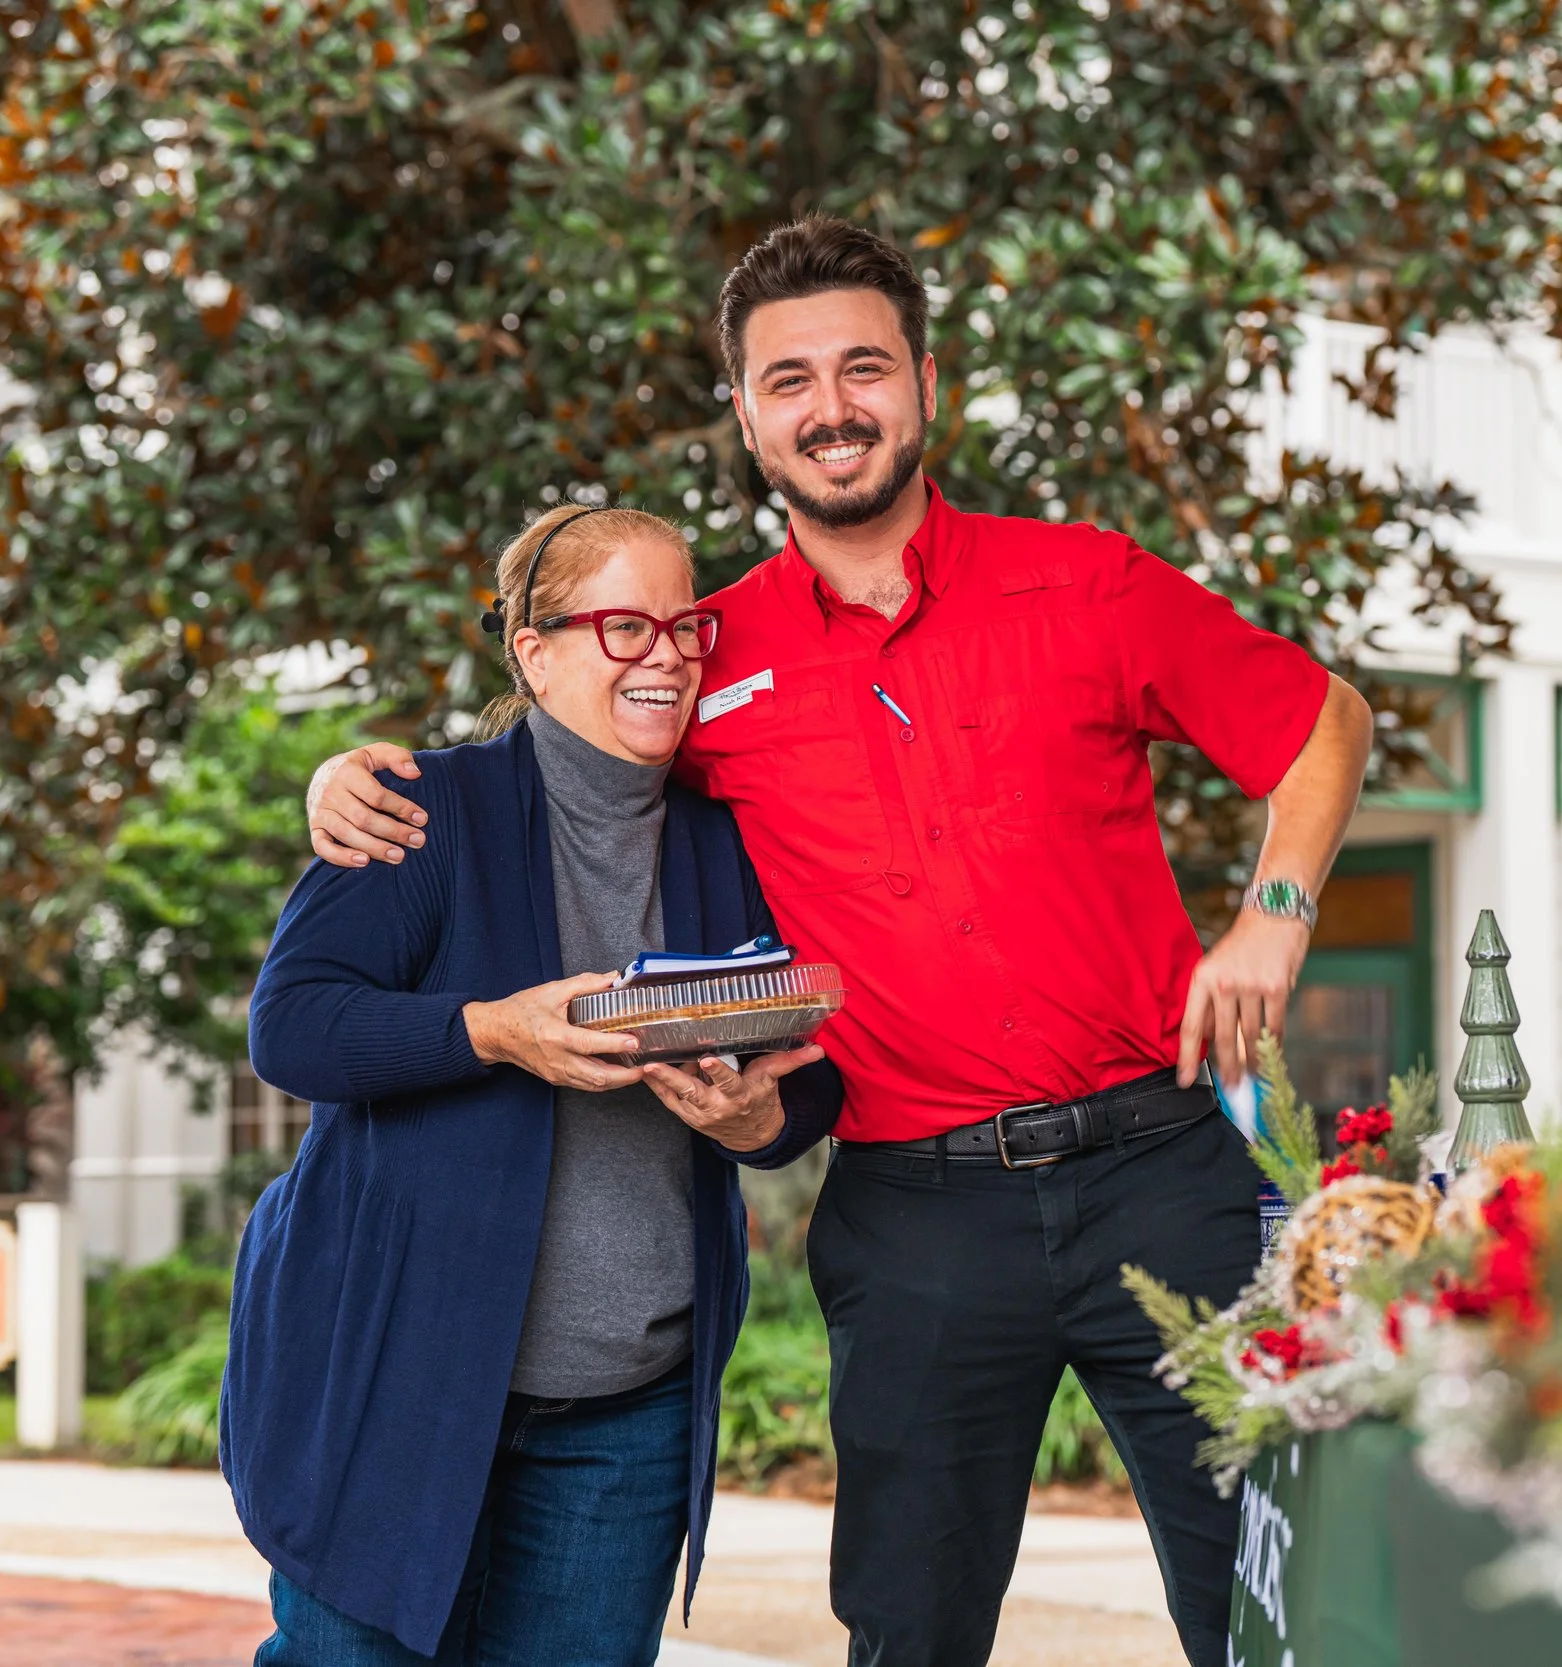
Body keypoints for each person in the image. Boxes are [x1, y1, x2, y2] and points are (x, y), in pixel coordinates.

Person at [305, 219, 1372, 1667]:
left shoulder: (1086, 582)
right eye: (788, 378)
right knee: (909, 1632)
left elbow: (1324, 722)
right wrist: (365, 775)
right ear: (746, 416)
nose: (832, 406)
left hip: (1160, 1171)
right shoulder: (702, 655)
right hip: (917, 1209)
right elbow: (561, 763)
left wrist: (1274, 913)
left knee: (1276, 1603)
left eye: (863, 365)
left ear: (926, 382)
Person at [230, 502, 844, 1666]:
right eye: (623, 624)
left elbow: (808, 1069)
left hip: (627, 1412)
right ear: (535, 652)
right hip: (400, 1385)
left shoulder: (729, 837)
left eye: (685, 625)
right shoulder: (421, 808)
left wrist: (765, 1117)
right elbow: (293, 1026)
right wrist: (492, 1032)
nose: (663, 653)